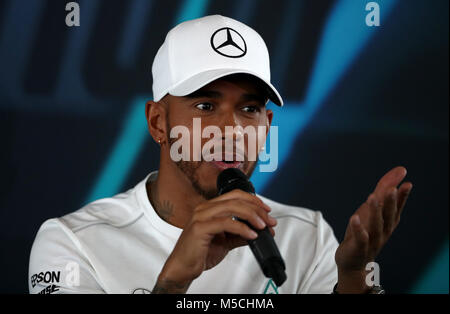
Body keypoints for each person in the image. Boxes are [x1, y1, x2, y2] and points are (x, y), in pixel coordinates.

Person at [28, 15, 413, 294]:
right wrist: (173, 282)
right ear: (158, 122)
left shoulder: (307, 236)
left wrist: (351, 283)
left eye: (249, 109)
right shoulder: (72, 242)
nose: (232, 131)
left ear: (267, 123)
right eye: (205, 107)